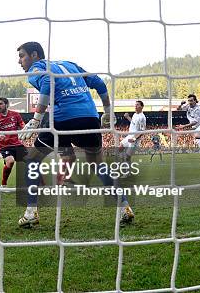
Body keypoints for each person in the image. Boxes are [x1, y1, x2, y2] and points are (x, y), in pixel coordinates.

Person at [16, 41, 134, 227]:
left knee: (32, 160)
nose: (19, 61)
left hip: (62, 119)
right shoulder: (70, 65)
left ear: (34, 55)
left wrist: (37, 118)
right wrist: (108, 110)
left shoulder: (36, 68)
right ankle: (124, 206)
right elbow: (98, 81)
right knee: (97, 165)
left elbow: (47, 81)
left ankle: (31, 212)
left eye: (22, 56)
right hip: (89, 117)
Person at [0, 97, 26, 187]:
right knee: (10, 161)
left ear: (7, 105)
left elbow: (22, 125)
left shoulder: (15, 115)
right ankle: (3, 184)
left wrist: (26, 129)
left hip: (17, 143)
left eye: (1, 104)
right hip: (4, 145)